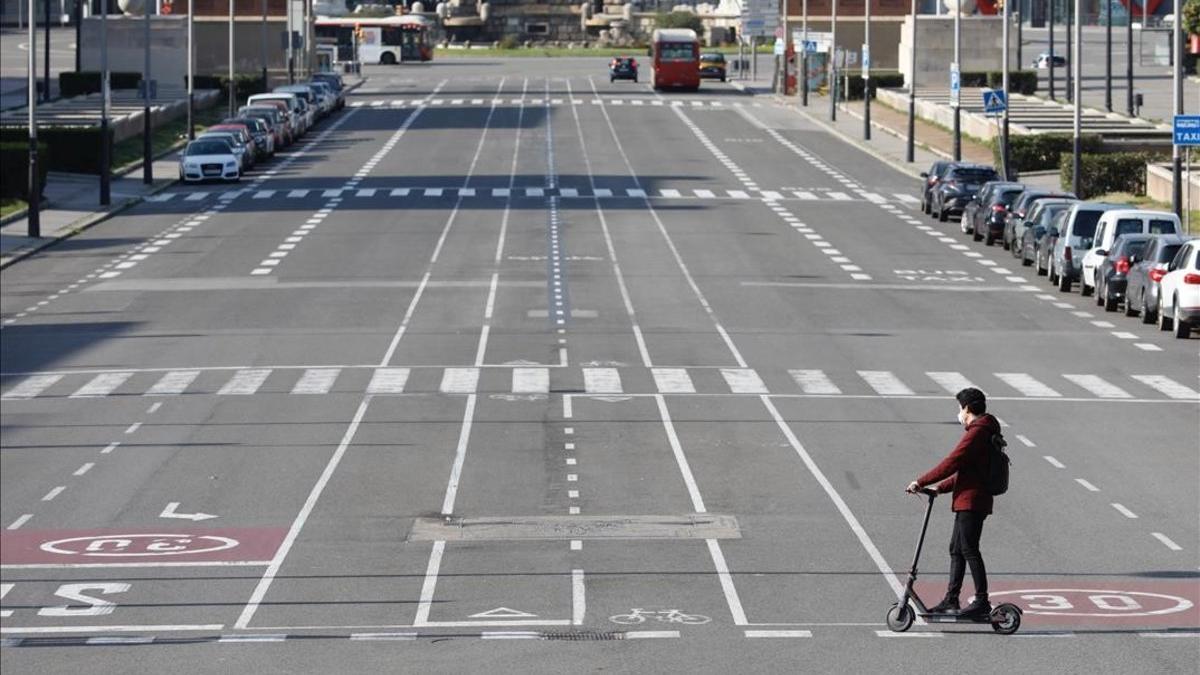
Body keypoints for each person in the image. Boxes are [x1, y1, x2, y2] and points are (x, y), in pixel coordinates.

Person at [905, 387, 999, 617]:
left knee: (969, 549)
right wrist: (939, 488)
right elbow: (966, 470)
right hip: (968, 498)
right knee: (956, 549)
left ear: (967, 408)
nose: (958, 412)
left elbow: (953, 462)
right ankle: (951, 599)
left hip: (973, 500)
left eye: (959, 407)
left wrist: (920, 481)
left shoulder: (978, 432)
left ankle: (982, 602)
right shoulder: (983, 430)